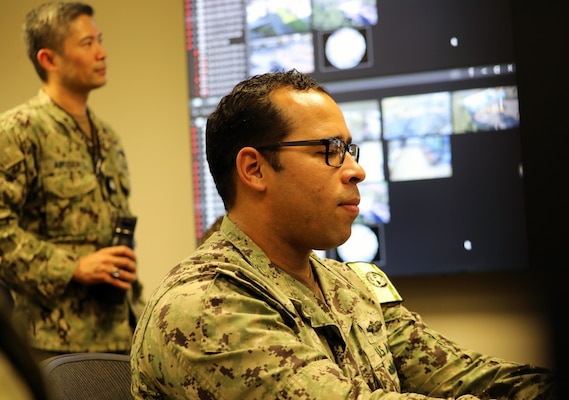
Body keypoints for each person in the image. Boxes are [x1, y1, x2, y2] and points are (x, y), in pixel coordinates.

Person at [130, 69, 557, 399]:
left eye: (349, 149)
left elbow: (464, 375)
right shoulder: (205, 307)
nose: (356, 170)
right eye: (328, 151)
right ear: (254, 169)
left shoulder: (347, 285)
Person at [0, 2, 144, 361]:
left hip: (119, 333)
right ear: (49, 59)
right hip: (52, 341)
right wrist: (74, 267)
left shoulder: (107, 138)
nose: (101, 53)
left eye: (100, 40)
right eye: (86, 44)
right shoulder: (18, 132)